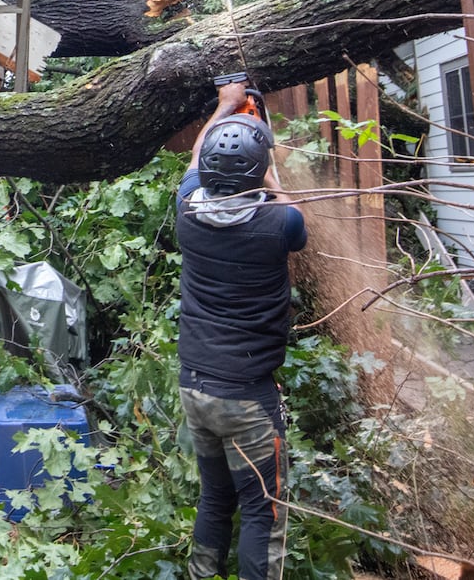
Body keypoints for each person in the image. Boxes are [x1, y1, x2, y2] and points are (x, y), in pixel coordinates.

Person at [175, 81, 307, 580]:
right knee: (262, 510)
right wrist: (268, 172)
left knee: (214, 498)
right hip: (248, 399)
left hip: (195, 385)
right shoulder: (280, 223)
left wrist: (226, 106)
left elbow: (194, 158)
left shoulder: (187, 209)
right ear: (258, 174)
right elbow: (291, 210)